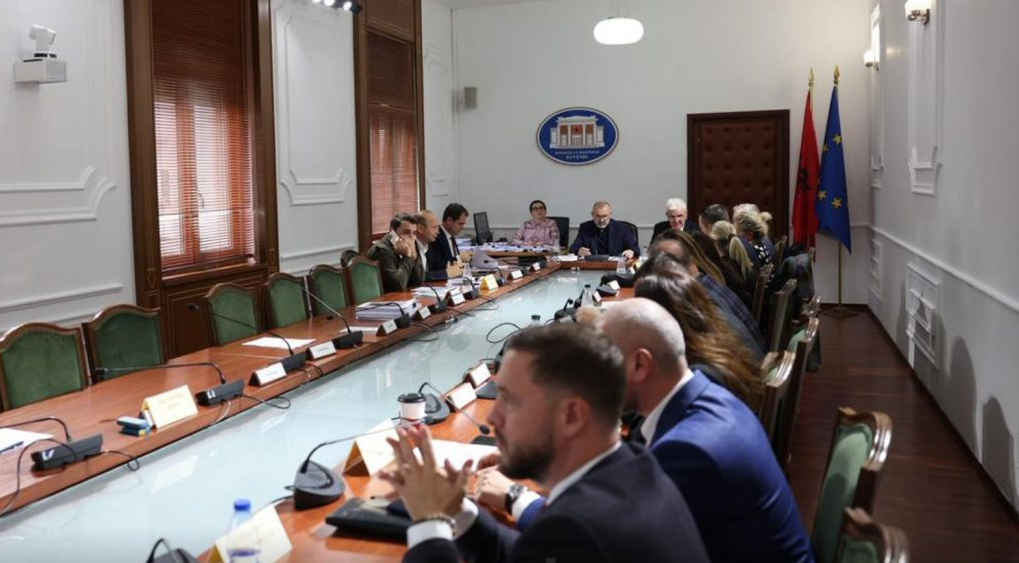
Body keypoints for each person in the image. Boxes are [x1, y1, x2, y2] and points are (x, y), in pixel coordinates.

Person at [474, 300, 813, 563]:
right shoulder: (705, 394)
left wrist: (515, 496)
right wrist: (534, 452)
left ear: (639, 364)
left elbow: (596, 528)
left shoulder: (688, 450)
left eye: (603, 358)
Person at [382, 324, 710, 563]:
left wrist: (429, 523)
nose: (493, 417)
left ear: (572, 415)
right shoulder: (636, 466)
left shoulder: (576, 528)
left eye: (510, 400)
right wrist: (457, 509)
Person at [644, 240, 766, 358]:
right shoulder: (709, 283)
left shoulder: (698, 303)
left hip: (746, 366)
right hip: (756, 360)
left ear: (667, 273)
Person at [365, 213, 423, 292]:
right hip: (384, 297)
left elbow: (418, 281)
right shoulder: (382, 251)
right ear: (392, 232)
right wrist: (408, 258)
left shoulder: (410, 245)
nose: (411, 237)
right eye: (406, 232)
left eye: (414, 233)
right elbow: (397, 286)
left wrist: (413, 256)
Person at [569, 201, 639, 258]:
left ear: (610, 214)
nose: (601, 220)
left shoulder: (622, 228)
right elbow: (573, 248)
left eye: (604, 216)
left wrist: (631, 251)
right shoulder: (585, 227)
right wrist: (578, 251)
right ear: (592, 214)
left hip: (615, 266)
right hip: (592, 266)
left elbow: (636, 249)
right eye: (598, 216)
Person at [428, 203, 469, 277]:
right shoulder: (435, 238)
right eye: (460, 224)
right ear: (449, 220)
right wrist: (458, 260)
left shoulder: (451, 235)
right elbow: (439, 266)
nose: (463, 227)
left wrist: (461, 259)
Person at [414, 210, 448, 281]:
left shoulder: (428, 246)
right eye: (434, 227)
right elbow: (417, 277)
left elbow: (440, 268)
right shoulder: (411, 248)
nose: (438, 232)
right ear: (420, 228)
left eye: (438, 228)